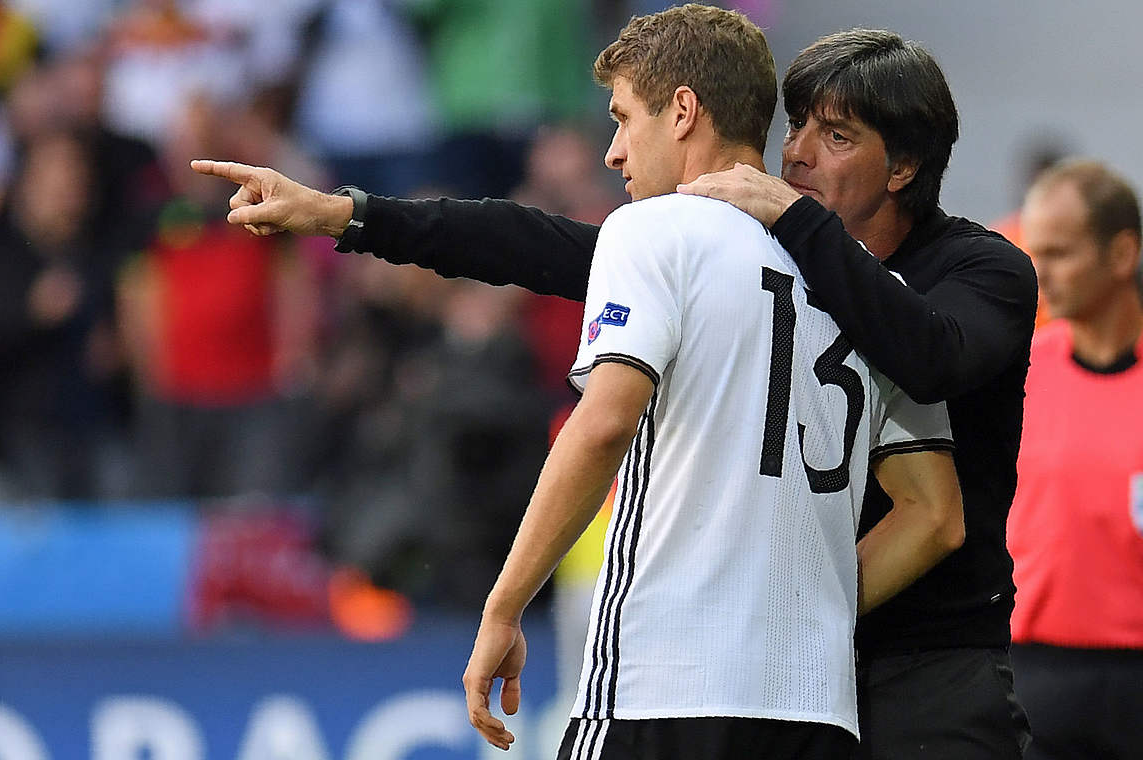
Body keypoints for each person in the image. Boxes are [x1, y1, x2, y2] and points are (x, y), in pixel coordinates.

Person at [195, 23, 1038, 759]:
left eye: (839, 137)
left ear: (908, 167)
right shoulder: (807, 270)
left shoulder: (949, 277)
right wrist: (351, 213)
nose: (798, 157)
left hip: (889, 667)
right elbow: (535, 245)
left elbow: (931, 376)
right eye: (799, 129)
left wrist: (506, 605)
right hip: (808, 686)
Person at [1007, 160, 1143, 760]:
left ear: (1121, 255)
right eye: (1035, 254)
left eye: (1060, 255)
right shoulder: (1013, 374)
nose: (1041, 275)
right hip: (1033, 680)